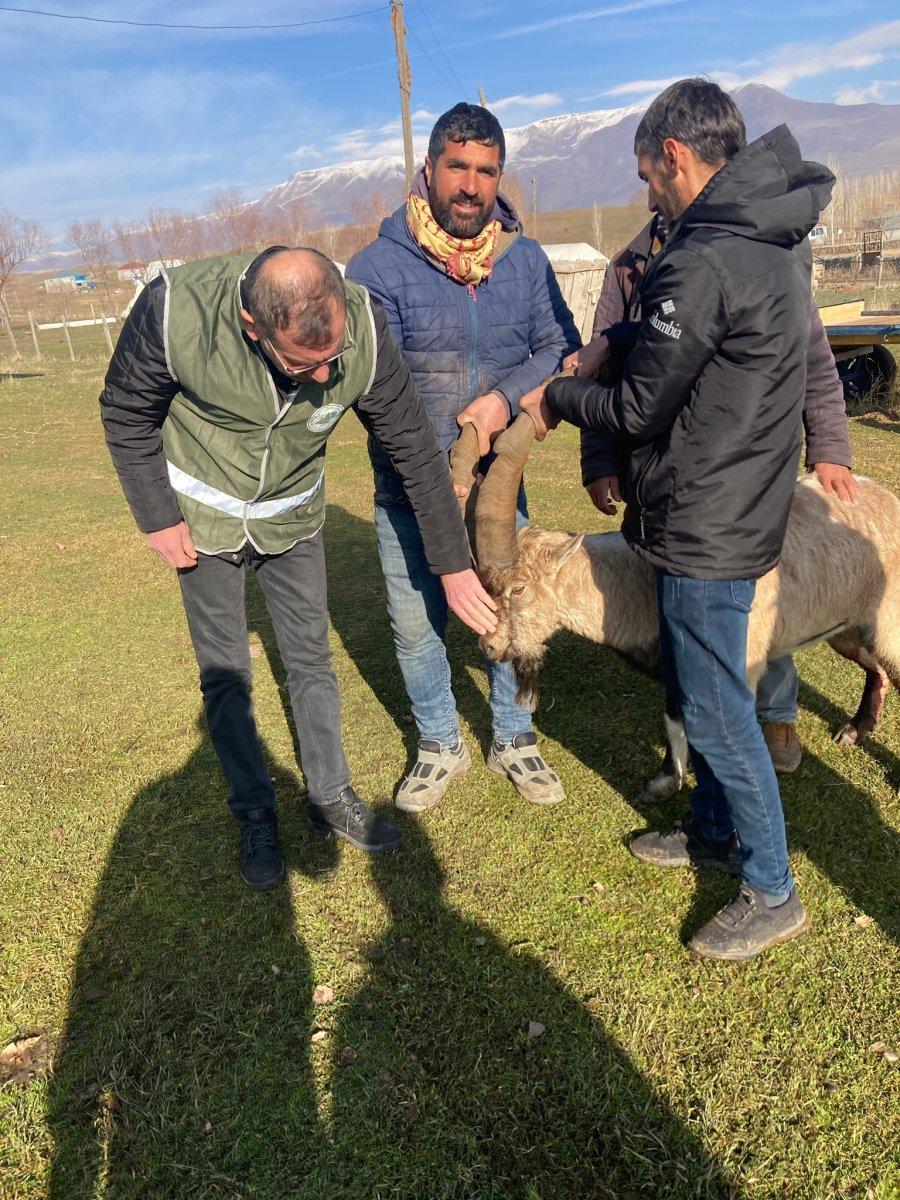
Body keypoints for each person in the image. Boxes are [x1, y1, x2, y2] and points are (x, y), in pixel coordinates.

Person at [522, 79, 835, 961]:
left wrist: (558, 393)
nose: (644, 194)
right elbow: (690, 356)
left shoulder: (703, 257)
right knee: (696, 690)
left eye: (645, 175)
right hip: (735, 504)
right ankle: (709, 831)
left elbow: (636, 407)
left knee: (720, 708)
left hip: (707, 519)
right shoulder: (770, 240)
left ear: (676, 158)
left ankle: (771, 888)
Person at [100, 247, 497, 890]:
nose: (321, 378)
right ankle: (255, 813)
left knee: (311, 658)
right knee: (227, 672)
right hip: (203, 517)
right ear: (252, 325)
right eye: (302, 363)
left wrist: (452, 565)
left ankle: (331, 795)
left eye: (330, 360)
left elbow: (415, 448)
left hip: (292, 517)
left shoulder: (363, 327)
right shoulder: (176, 309)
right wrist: (157, 515)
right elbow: (125, 410)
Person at [346, 104, 580, 813]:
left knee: (509, 610)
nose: (471, 186)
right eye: (457, 167)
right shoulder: (378, 268)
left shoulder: (526, 260)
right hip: (408, 491)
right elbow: (373, 386)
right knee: (417, 625)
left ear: (499, 176)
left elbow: (558, 345)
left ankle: (514, 736)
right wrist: (441, 467)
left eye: (485, 171)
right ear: (428, 170)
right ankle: (439, 742)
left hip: (500, 489)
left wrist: (502, 401)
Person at [569, 216, 856, 774]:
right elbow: (603, 366)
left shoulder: (754, 248)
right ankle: (689, 730)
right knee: (677, 608)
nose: (649, 189)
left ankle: (773, 718)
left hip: (737, 472)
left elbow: (811, 353)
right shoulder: (628, 266)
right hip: (658, 472)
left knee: (762, 600)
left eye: (650, 173)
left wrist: (829, 442)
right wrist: (601, 459)